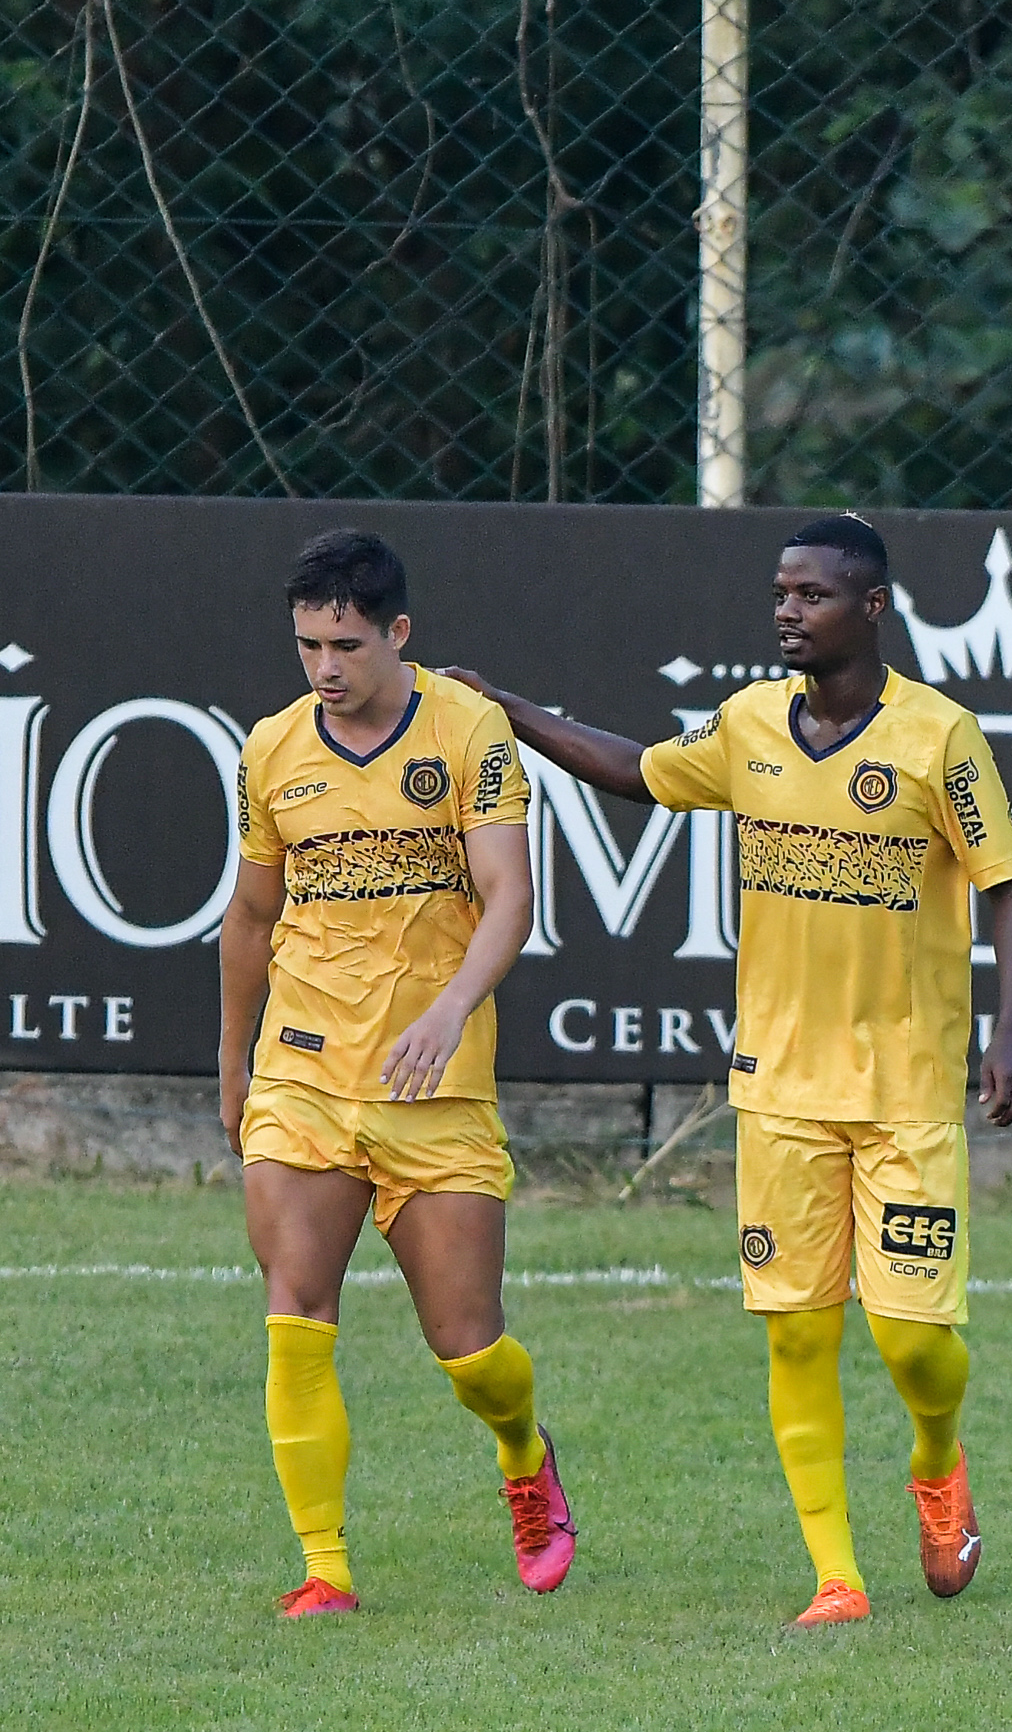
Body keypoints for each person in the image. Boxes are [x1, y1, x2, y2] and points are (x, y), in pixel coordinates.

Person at [451, 513, 1012, 1627]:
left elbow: (1006, 879)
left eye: (811, 594)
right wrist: (508, 712)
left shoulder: (939, 736)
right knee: (800, 1326)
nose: (785, 609)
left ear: (870, 608)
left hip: (907, 1085)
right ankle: (836, 1573)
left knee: (915, 1341)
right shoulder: (748, 724)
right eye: (780, 591)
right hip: (778, 1084)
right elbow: (637, 771)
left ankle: (937, 1457)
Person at [220, 529, 567, 1617]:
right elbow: (250, 913)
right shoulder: (272, 748)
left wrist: (452, 1006)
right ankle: (324, 1566)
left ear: (398, 634)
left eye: (347, 643)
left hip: (434, 1080)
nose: (326, 665)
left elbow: (508, 893)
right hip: (305, 1071)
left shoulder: (473, 731)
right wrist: (232, 1061)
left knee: (470, 1349)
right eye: (307, 644)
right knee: (295, 1307)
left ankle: (523, 1450)